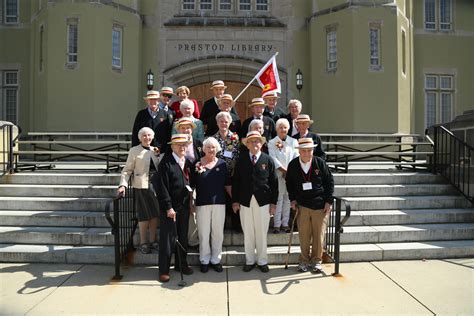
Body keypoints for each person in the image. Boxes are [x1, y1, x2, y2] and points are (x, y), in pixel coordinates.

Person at [286, 138, 334, 274]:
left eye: (310, 150)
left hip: (320, 205)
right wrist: (293, 200)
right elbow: (289, 184)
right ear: (299, 151)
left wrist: (328, 202)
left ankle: (316, 261)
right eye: (304, 151)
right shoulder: (293, 165)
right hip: (302, 205)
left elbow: (329, 182)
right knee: (304, 235)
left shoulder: (320, 163)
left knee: (319, 235)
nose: (307, 153)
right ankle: (304, 261)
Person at [232, 131, 278, 273]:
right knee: (248, 232)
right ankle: (250, 260)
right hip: (245, 201)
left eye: (257, 141)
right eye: (251, 141)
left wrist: (273, 203)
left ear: (261, 143)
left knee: (261, 232)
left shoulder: (268, 160)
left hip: (263, 202)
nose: (254, 144)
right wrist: (235, 201)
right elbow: (236, 182)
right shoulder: (241, 160)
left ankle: (262, 261)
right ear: (247, 145)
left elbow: (274, 183)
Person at [153, 134, 195, 283]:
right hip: (170, 208)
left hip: (183, 206)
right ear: (172, 146)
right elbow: (162, 187)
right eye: (179, 145)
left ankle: (181, 264)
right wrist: (168, 207)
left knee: (182, 237)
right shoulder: (166, 163)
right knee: (168, 239)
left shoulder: (188, 162)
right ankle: (164, 270)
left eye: (184, 144)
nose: (182, 147)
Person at [190, 137, 231, 273]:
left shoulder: (222, 164)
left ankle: (215, 259)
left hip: (219, 203)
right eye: (208, 147)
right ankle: (204, 260)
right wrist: (191, 202)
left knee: (217, 232)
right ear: (203, 149)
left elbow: (228, 185)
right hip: (202, 203)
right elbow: (191, 186)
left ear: (217, 149)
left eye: (213, 147)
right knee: (203, 233)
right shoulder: (197, 164)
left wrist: (235, 200)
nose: (211, 150)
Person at [118, 127, 161, 254]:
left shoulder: (155, 150)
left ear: (152, 137)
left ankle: (153, 241)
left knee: (154, 214)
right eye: (144, 135)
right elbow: (127, 170)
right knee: (143, 215)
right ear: (140, 137)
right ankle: (143, 242)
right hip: (141, 186)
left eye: (149, 135)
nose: (147, 138)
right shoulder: (134, 150)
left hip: (155, 186)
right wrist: (123, 185)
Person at [174, 117, 203, 249]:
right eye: (183, 128)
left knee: (193, 213)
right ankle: (180, 240)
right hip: (179, 184)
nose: (186, 130)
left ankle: (193, 241)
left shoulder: (198, 143)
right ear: (178, 130)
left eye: (188, 128)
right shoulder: (175, 144)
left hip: (195, 183)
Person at [268, 118, 299, 234]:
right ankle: (276, 224)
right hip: (278, 175)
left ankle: (285, 224)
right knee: (279, 199)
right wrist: (284, 171)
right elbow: (273, 159)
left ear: (288, 129)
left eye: (285, 127)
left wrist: (290, 173)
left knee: (288, 199)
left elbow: (296, 157)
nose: (283, 129)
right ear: (276, 129)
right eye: (280, 127)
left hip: (291, 176)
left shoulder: (293, 142)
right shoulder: (272, 142)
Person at [213, 111, 241, 232]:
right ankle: (221, 226)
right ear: (217, 123)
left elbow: (238, 155)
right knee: (221, 200)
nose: (223, 124)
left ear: (229, 123)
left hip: (233, 174)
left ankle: (236, 226)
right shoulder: (213, 139)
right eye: (221, 121)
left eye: (226, 121)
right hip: (218, 175)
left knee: (234, 199)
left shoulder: (235, 138)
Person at [131, 88, 175, 153]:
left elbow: (169, 134)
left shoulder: (166, 114)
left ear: (159, 100)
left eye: (155, 99)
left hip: (161, 152)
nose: (153, 101)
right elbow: (135, 133)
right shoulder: (141, 114)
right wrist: (135, 150)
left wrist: (167, 151)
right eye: (150, 99)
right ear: (147, 101)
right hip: (144, 151)